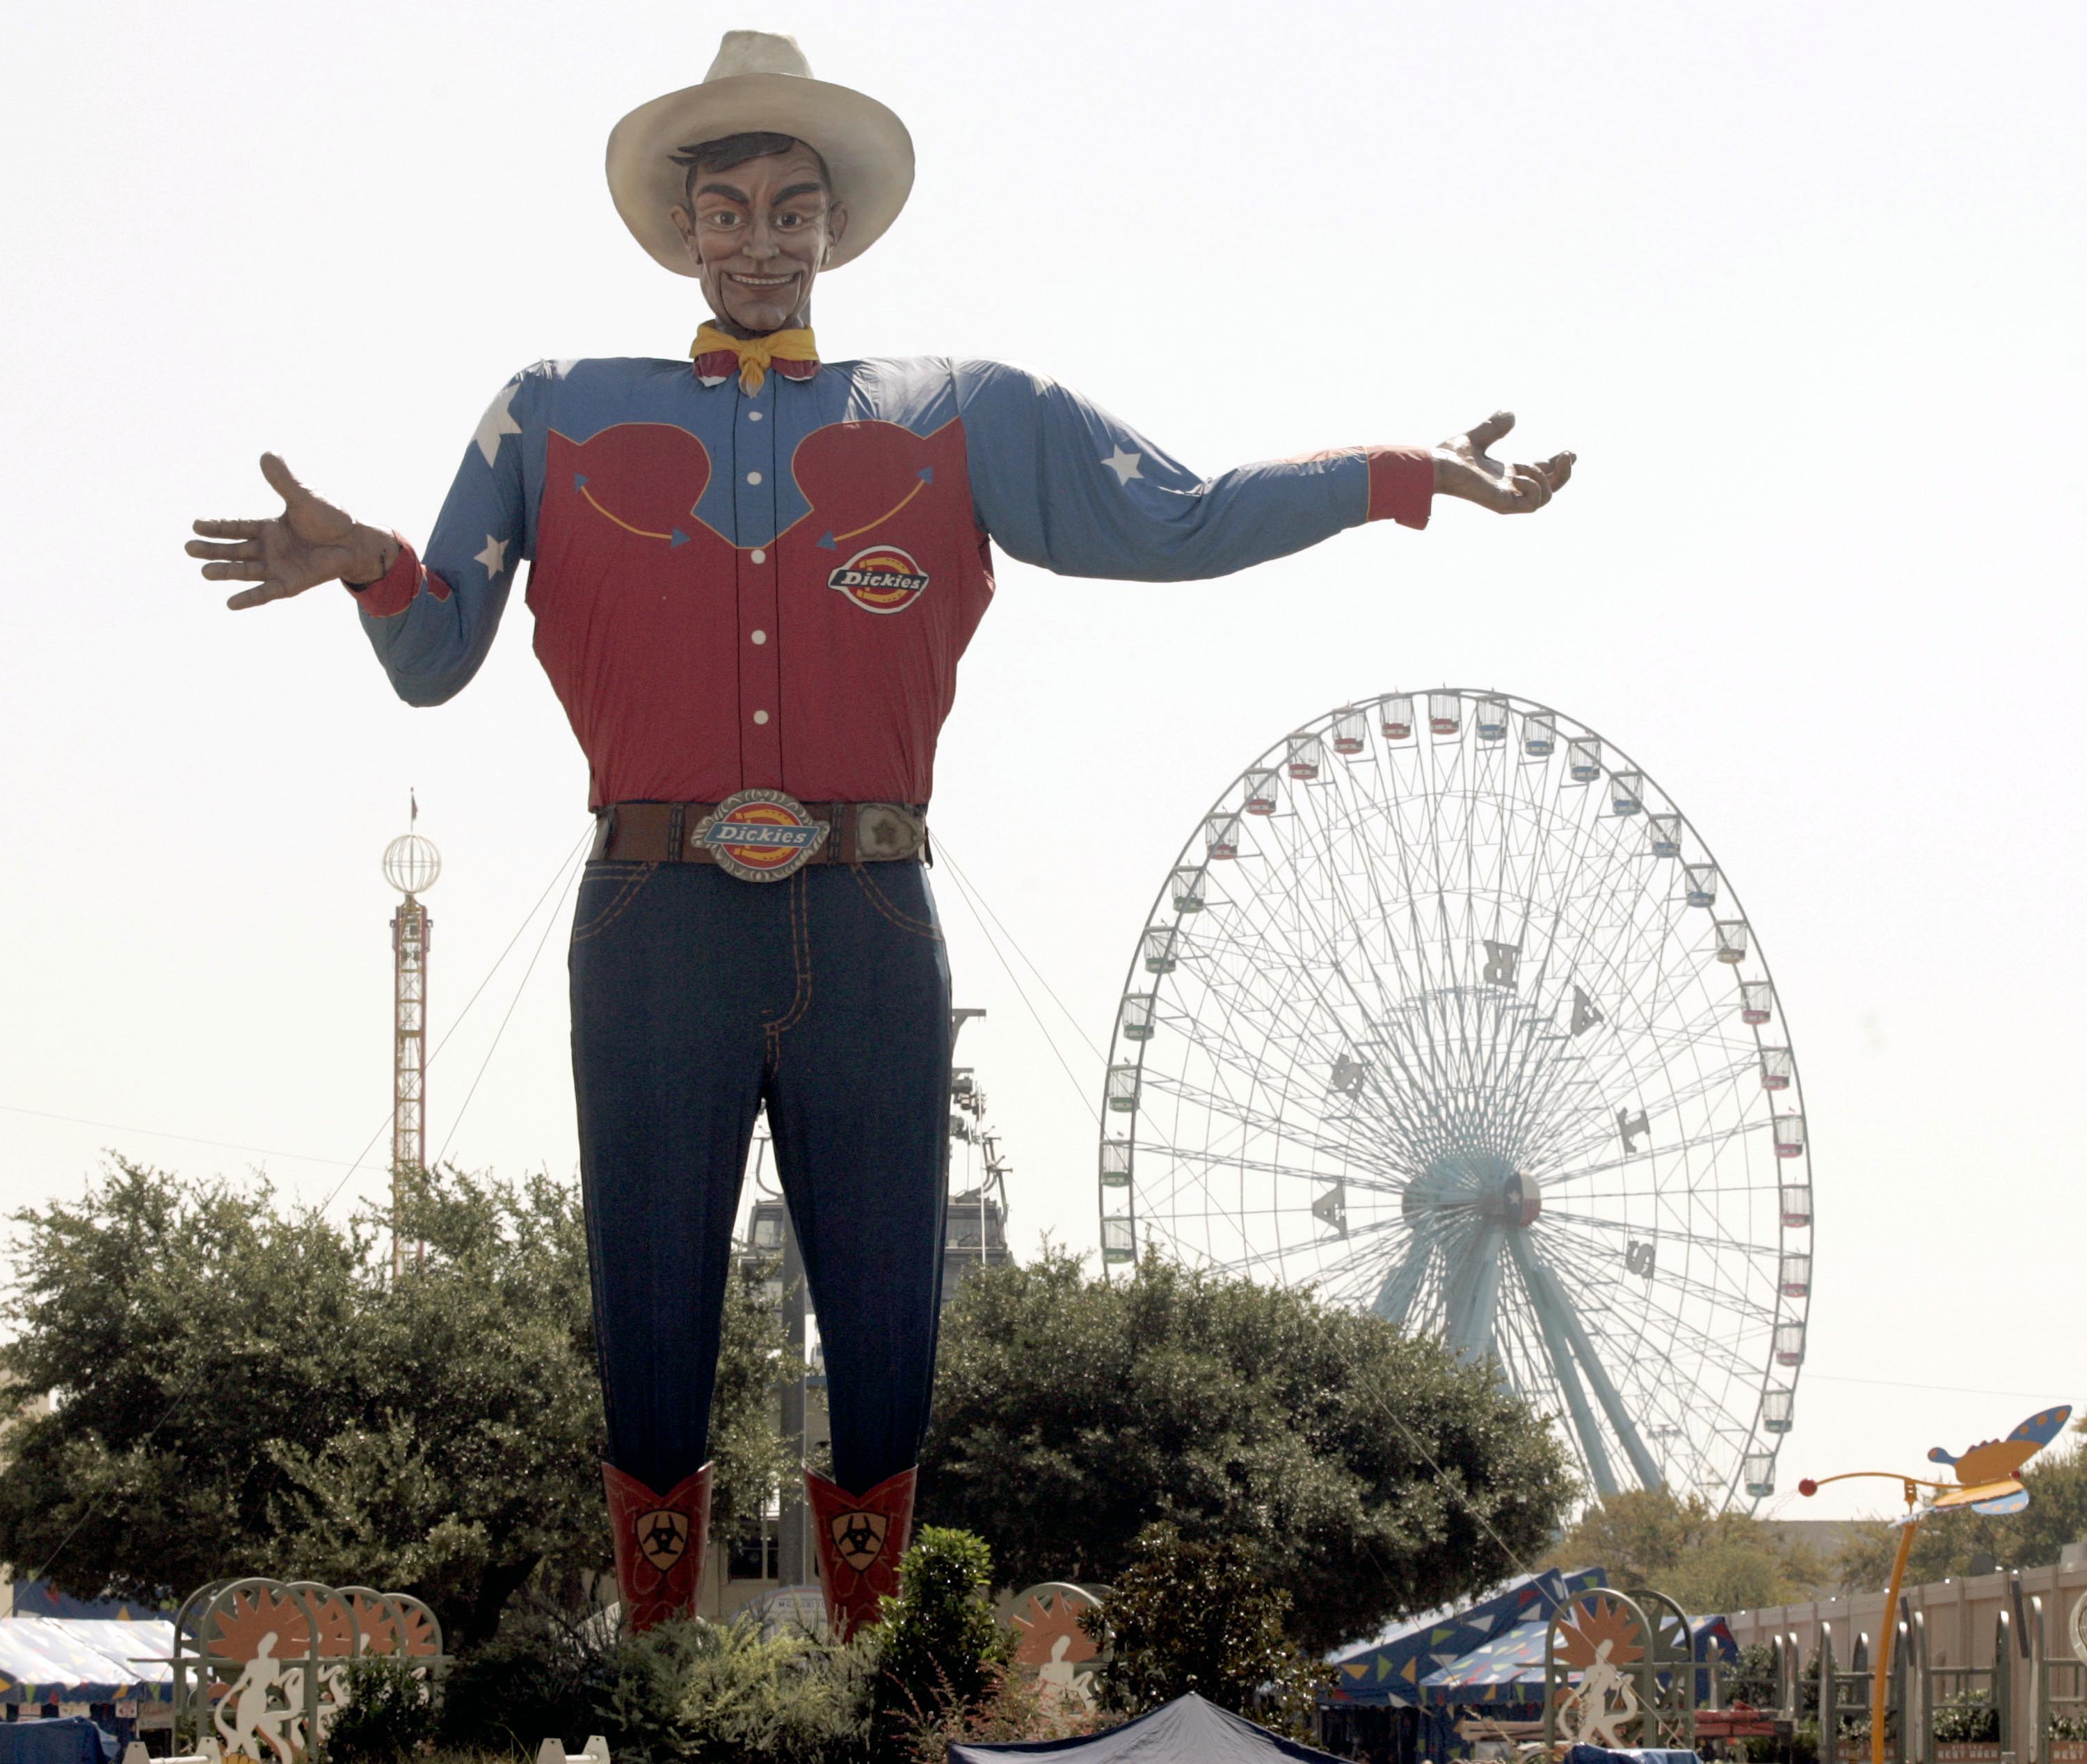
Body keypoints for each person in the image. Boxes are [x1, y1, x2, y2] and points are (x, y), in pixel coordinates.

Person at [185, 31, 1574, 1637]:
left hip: (871, 911)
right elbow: (437, 656)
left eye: (791, 208)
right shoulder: (553, 418)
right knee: (647, 1315)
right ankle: (657, 1676)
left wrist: (1405, 473)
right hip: (652, 909)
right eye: (726, 210)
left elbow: (1179, 516)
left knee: (890, 1326)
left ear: (835, 225)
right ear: (679, 229)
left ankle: (880, 1680)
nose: (759, 241)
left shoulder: (957, 414)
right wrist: (363, 563)